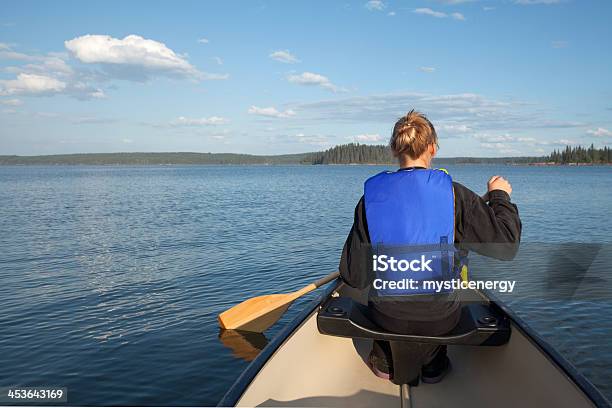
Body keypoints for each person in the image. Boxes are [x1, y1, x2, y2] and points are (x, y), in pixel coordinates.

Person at [338, 110, 522, 384]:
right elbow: (506, 245)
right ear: (432, 148)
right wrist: (499, 196)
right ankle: (434, 365)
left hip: (386, 315)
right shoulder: (456, 195)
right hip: (441, 319)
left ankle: (384, 360)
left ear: (393, 149)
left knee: (388, 303)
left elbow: (354, 276)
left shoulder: (369, 200)